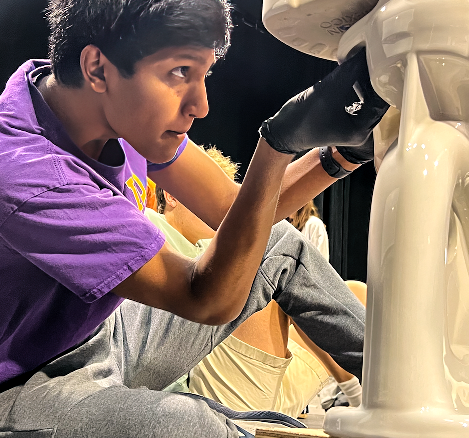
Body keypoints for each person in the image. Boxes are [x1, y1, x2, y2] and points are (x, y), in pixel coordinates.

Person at [0, 0, 388, 438]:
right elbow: (209, 299)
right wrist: (275, 145)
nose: (199, 103)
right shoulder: (19, 174)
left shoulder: (96, 106)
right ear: (98, 67)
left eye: (204, 74)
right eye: (179, 73)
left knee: (280, 247)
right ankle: (245, 434)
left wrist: (338, 156)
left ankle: (402, 389)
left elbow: (244, 217)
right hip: (19, 392)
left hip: (107, 339)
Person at [149, 146, 364, 416]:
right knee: (266, 244)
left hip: (266, 384)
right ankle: (372, 387)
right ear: (172, 195)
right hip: (215, 394)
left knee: (358, 292)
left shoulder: (205, 243)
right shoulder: (152, 228)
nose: (223, 213)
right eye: (206, 196)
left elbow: (246, 206)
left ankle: (368, 388)